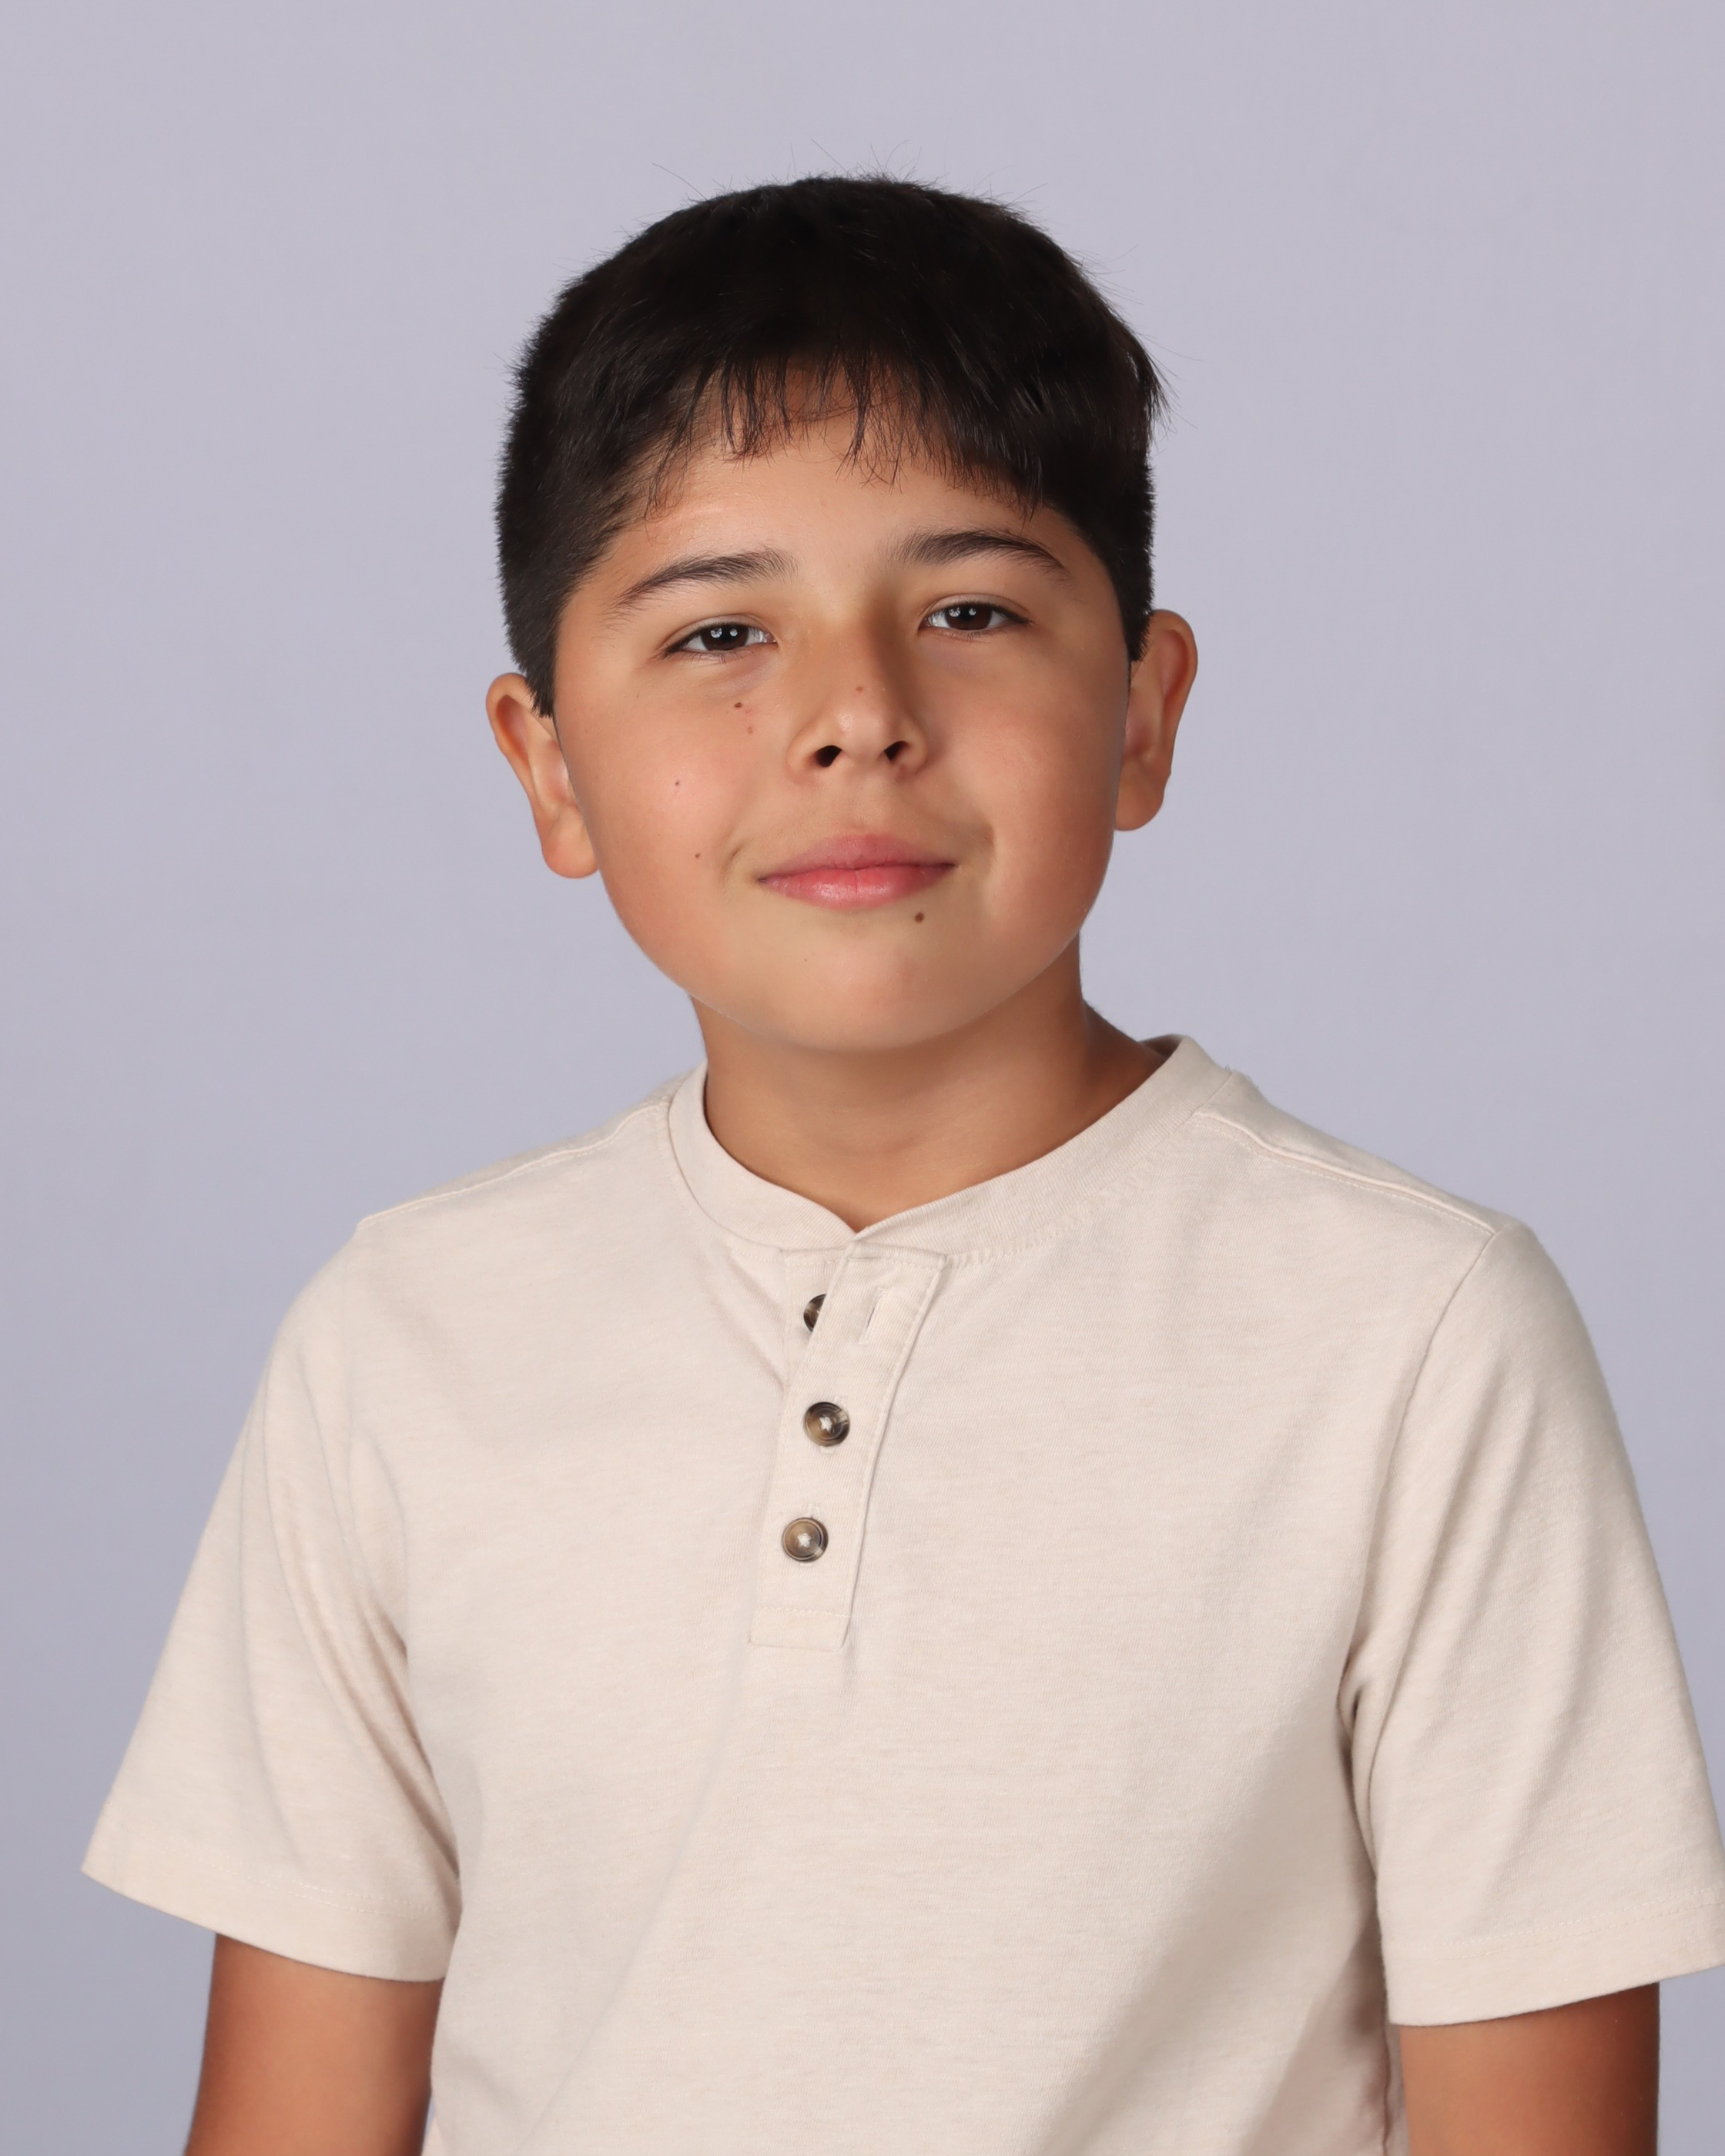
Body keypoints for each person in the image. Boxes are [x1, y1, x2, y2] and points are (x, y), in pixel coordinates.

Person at [86, 176, 1725, 2156]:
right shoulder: (406, 1334)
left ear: (1141, 713)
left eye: (968, 612)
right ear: (549, 765)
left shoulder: (1414, 1332)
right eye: (719, 631)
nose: (855, 716)